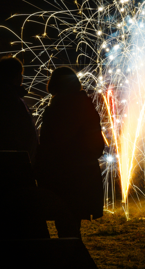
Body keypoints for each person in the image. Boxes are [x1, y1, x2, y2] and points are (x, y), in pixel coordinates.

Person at [35, 67, 104, 238]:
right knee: (72, 225)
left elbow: (46, 145)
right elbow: (97, 144)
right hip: (83, 175)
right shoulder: (86, 106)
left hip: (59, 175)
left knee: (64, 224)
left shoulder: (54, 110)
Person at [0, 56, 38, 162]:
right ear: (16, 76)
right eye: (20, 74)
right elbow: (13, 134)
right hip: (12, 163)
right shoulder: (8, 99)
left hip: (11, 161)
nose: (22, 78)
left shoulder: (3, 96)